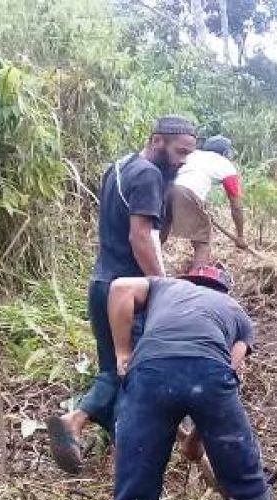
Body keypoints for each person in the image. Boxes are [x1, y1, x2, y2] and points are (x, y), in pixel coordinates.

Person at [103, 265, 277, 500]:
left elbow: (118, 288)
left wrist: (122, 352)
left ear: (188, 281)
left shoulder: (163, 287)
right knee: (244, 469)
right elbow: (227, 371)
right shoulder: (237, 313)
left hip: (150, 371)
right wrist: (199, 438)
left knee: (136, 469)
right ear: (224, 289)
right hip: (207, 371)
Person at [46, 115, 197, 475]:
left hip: (101, 285)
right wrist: (164, 288)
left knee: (114, 367)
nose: (182, 161)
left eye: (188, 155)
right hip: (127, 293)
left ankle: (120, 448)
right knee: (132, 370)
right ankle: (75, 422)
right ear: (157, 141)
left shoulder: (118, 168)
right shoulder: (148, 175)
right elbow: (141, 237)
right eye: (179, 152)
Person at [166, 134, 248, 270]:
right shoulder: (225, 165)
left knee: (160, 232)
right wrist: (240, 236)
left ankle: (148, 270)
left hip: (165, 189)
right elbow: (236, 205)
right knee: (203, 240)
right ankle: (198, 280)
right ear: (225, 153)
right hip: (186, 192)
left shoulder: (193, 155)